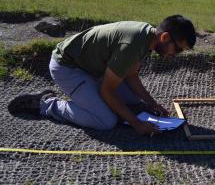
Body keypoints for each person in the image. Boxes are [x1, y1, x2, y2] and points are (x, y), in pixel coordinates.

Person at [8, 15, 196, 136]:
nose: (175, 54)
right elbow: (108, 91)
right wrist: (136, 124)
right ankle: (46, 104)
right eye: (178, 49)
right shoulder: (132, 45)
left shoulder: (147, 37)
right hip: (67, 68)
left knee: (132, 100)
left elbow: (130, 76)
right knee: (106, 121)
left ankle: (90, 98)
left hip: (91, 69)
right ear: (164, 38)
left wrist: (152, 103)